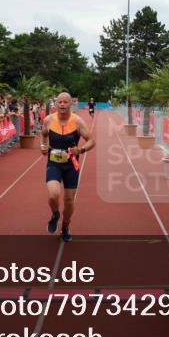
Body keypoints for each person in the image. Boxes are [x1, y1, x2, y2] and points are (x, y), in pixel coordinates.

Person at [39, 91, 95, 242]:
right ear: (55, 104)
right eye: (59, 102)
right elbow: (43, 134)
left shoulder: (77, 121)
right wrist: (43, 146)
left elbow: (91, 140)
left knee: (69, 200)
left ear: (71, 104)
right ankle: (55, 214)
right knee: (53, 194)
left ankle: (65, 226)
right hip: (54, 163)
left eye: (65, 102)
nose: (62, 104)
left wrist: (81, 149)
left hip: (71, 165)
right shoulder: (48, 120)